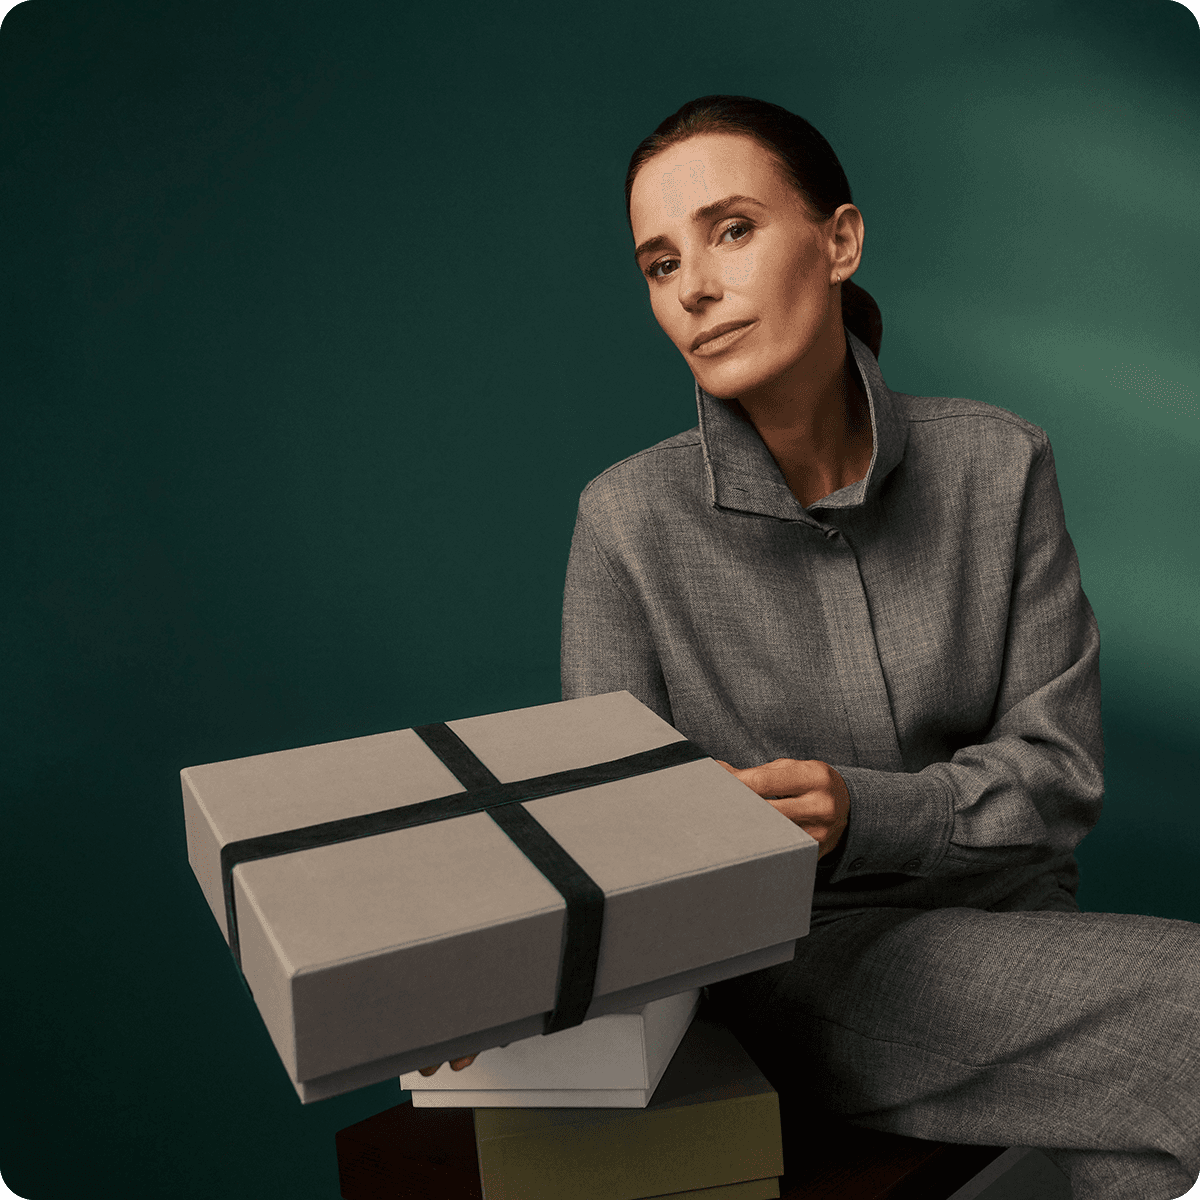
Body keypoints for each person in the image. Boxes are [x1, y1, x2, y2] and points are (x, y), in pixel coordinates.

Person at [555, 95, 1200, 1200]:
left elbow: (1059, 779)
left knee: (1126, 1155)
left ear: (840, 241)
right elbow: (613, 855)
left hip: (1022, 919)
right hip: (805, 970)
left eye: (732, 229)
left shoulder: (1001, 466)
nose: (695, 287)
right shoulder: (625, 524)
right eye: (659, 264)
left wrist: (866, 813)